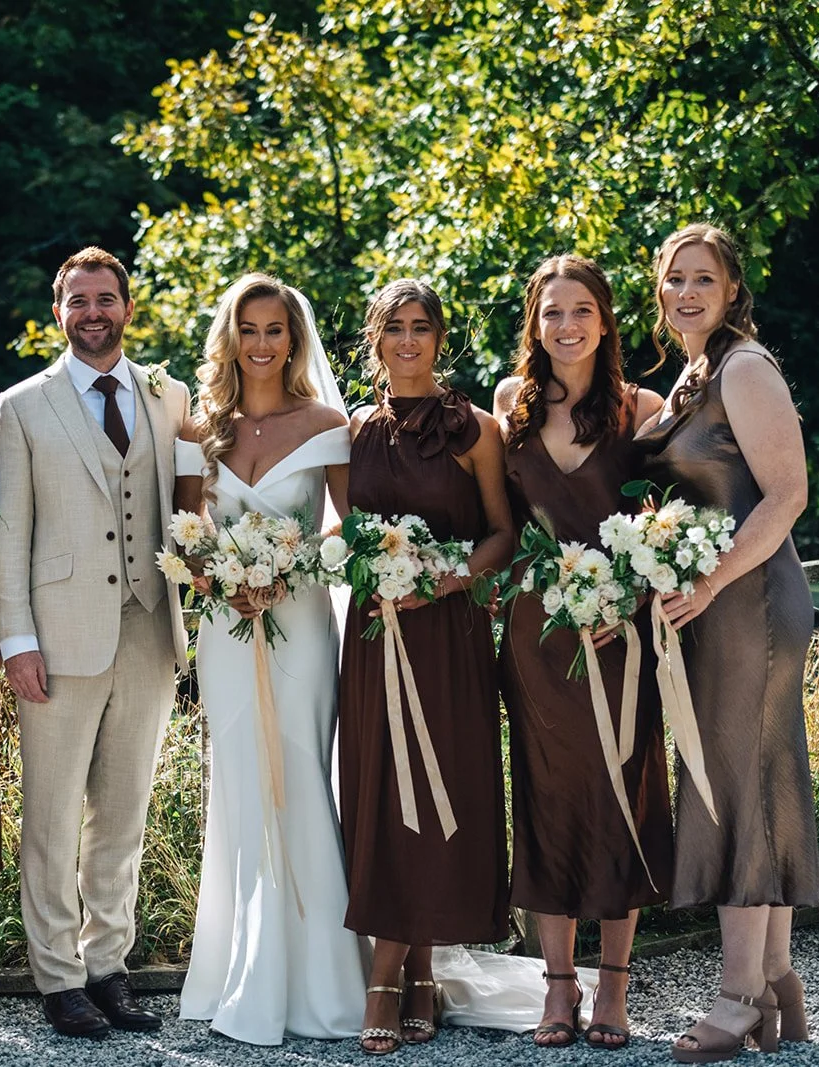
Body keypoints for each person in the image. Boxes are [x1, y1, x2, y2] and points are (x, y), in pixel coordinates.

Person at [0, 247, 189, 1039]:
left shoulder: (166, 395)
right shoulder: (23, 405)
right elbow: (9, 534)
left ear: (128, 307)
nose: (93, 312)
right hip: (59, 634)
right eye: (79, 300)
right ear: (58, 310)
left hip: (148, 626)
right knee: (51, 811)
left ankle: (109, 967)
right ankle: (58, 977)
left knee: (124, 811)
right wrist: (17, 639)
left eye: (106, 298)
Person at [636, 224, 819, 1063]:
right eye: (673, 280)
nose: (685, 292)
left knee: (740, 780)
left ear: (732, 287)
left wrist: (707, 583)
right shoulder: (691, 373)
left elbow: (786, 495)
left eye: (701, 278)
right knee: (757, 774)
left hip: (750, 600)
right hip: (715, 608)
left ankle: (739, 994)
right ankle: (779, 975)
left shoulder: (744, 368)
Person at [173, 274, 364, 1044]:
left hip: (303, 625)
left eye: (274, 330)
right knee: (243, 781)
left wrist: (289, 568)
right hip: (226, 629)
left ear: (294, 339)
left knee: (300, 773)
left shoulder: (326, 423)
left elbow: (350, 529)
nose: (260, 344)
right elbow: (187, 535)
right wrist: (221, 575)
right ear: (231, 337)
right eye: (247, 329)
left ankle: (324, 980)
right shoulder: (200, 429)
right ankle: (240, 971)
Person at [492, 256, 673, 1050]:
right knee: (544, 793)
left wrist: (631, 596)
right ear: (534, 322)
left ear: (606, 321)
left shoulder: (642, 409)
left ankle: (616, 991)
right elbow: (496, 519)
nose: (566, 326)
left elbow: (669, 531)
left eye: (581, 311)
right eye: (551, 312)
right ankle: (557, 986)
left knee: (621, 792)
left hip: (620, 637)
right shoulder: (510, 404)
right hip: (538, 634)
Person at [338, 279, 514, 1055]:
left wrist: (445, 578)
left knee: (448, 789)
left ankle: (408, 969)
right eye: (394, 329)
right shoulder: (351, 433)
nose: (408, 341)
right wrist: (381, 578)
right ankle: (404, 970)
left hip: (450, 634)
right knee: (380, 792)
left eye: (422, 328)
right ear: (373, 340)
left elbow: (503, 534)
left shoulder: (477, 429)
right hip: (376, 637)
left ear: (441, 338)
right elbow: (346, 535)